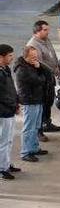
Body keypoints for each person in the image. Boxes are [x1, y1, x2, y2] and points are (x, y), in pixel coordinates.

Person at [14, 46, 52, 161]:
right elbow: (40, 80)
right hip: (30, 101)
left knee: (36, 126)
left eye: (36, 57)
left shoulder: (33, 65)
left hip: (37, 99)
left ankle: (34, 148)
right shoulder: (22, 69)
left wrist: (40, 66)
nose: (35, 59)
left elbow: (48, 72)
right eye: (32, 57)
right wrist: (40, 72)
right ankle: (25, 153)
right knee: (29, 128)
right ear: (25, 57)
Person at [27, 20, 60, 135]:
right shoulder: (33, 45)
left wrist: (57, 66)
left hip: (50, 77)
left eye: (48, 30)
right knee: (42, 103)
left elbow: (53, 55)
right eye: (45, 30)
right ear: (37, 31)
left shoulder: (46, 40)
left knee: (49, 101)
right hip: (42, 79)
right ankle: (39, 130)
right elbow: (40, 63)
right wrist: (54, 70)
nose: (47, 32)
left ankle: (47, 123)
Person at [0, 45, 17, 179]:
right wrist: (12, 104)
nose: (12, 58)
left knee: (9, 140)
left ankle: (6, 163)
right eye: (10, 55)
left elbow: (11, 89)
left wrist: (16, 102)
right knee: (3, 141)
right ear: (1, 56)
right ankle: (2, 169)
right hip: (3, 112)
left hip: (10, 110)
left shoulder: (6, 69)